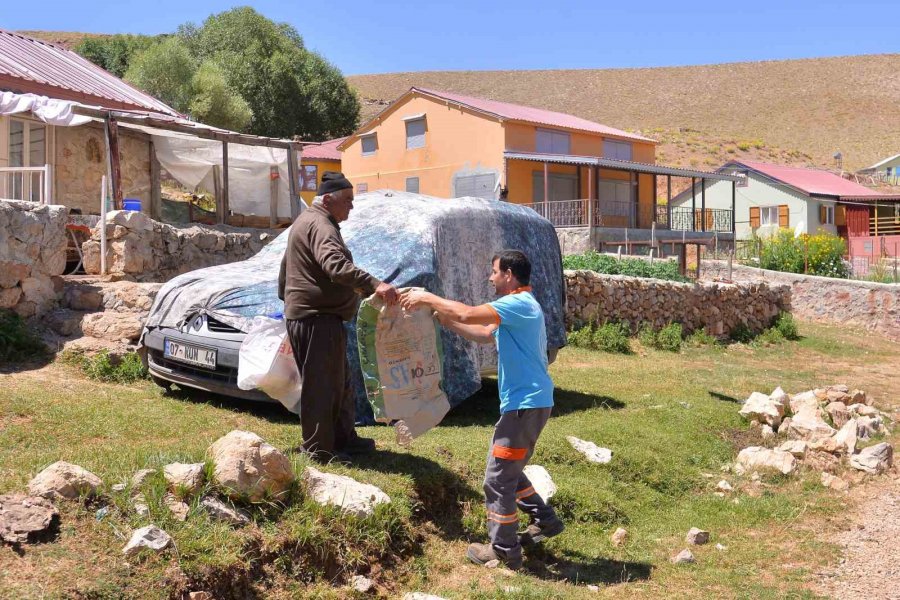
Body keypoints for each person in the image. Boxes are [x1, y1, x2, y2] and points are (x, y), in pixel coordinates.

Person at [399, 250, 564, 570]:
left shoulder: (518, 304)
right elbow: (484, 333)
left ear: (510, 275)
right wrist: (446, 320)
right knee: (508, 471)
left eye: (494, 272)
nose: (490, 278)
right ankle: (544, 521)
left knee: (497, 478)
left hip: (524, 406)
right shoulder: (520, 308)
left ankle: (504, 549)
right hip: (530, 404)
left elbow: (469, 313)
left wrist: (428, 297)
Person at [278, 171, 398, 463]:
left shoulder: (309, 221)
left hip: (316, 317)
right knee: (322, 387)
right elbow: (335, 265)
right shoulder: (320, 224)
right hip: (317, 318)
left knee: (340, 383)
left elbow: (285, 271)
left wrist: (290, 300)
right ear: (328, 199)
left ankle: (344, 439)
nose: (351, 207)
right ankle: (319, 450)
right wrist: (375, 284)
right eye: (347, 200)